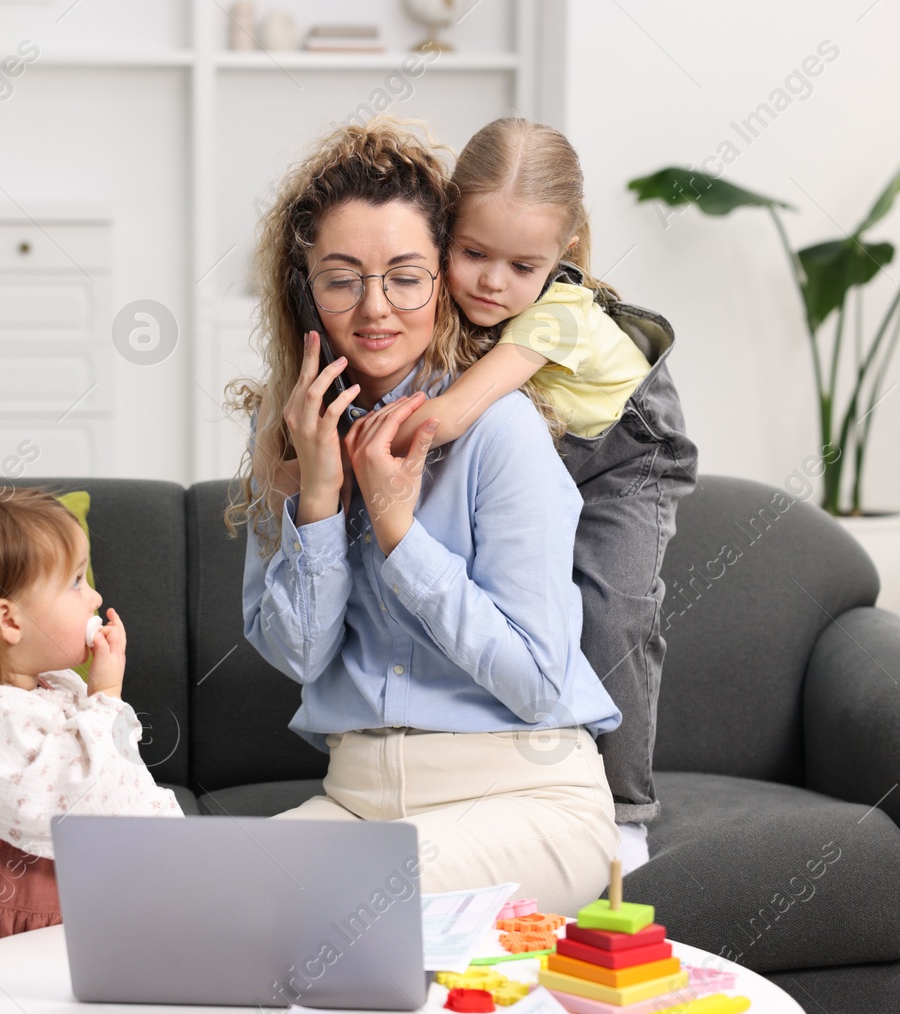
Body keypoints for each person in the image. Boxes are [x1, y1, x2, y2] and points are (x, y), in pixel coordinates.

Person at [225, 117, 621, 917]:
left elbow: (539, 682)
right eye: (342, 278)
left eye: (405, 276)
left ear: (440, 279)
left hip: (526, 800)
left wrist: (400, 530)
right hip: (359, 801)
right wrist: (319, 500)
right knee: (218, 904)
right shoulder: (295, 433)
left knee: (331, 905)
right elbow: (301, 656)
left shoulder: (499, 429)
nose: (375, 308)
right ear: (306, 287)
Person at [379, 117, 700, 847]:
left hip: (629, 455)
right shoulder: (440, 298)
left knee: (613, 611)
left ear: (566, 254)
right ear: (442, 233)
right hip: (557, 446)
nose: (493, 281)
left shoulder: (557, 314)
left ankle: (624, 811)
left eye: (522, 266)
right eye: (472, 253)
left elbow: (453, 411)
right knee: (524, 610)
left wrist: (340, 449)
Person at [0, 486, 182, 988]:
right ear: (10, 620)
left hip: (55, 926)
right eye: (76, 582)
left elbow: (128, 787)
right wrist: (106, 695)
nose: (95, 597)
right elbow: (90, 812)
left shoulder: (56, 688)